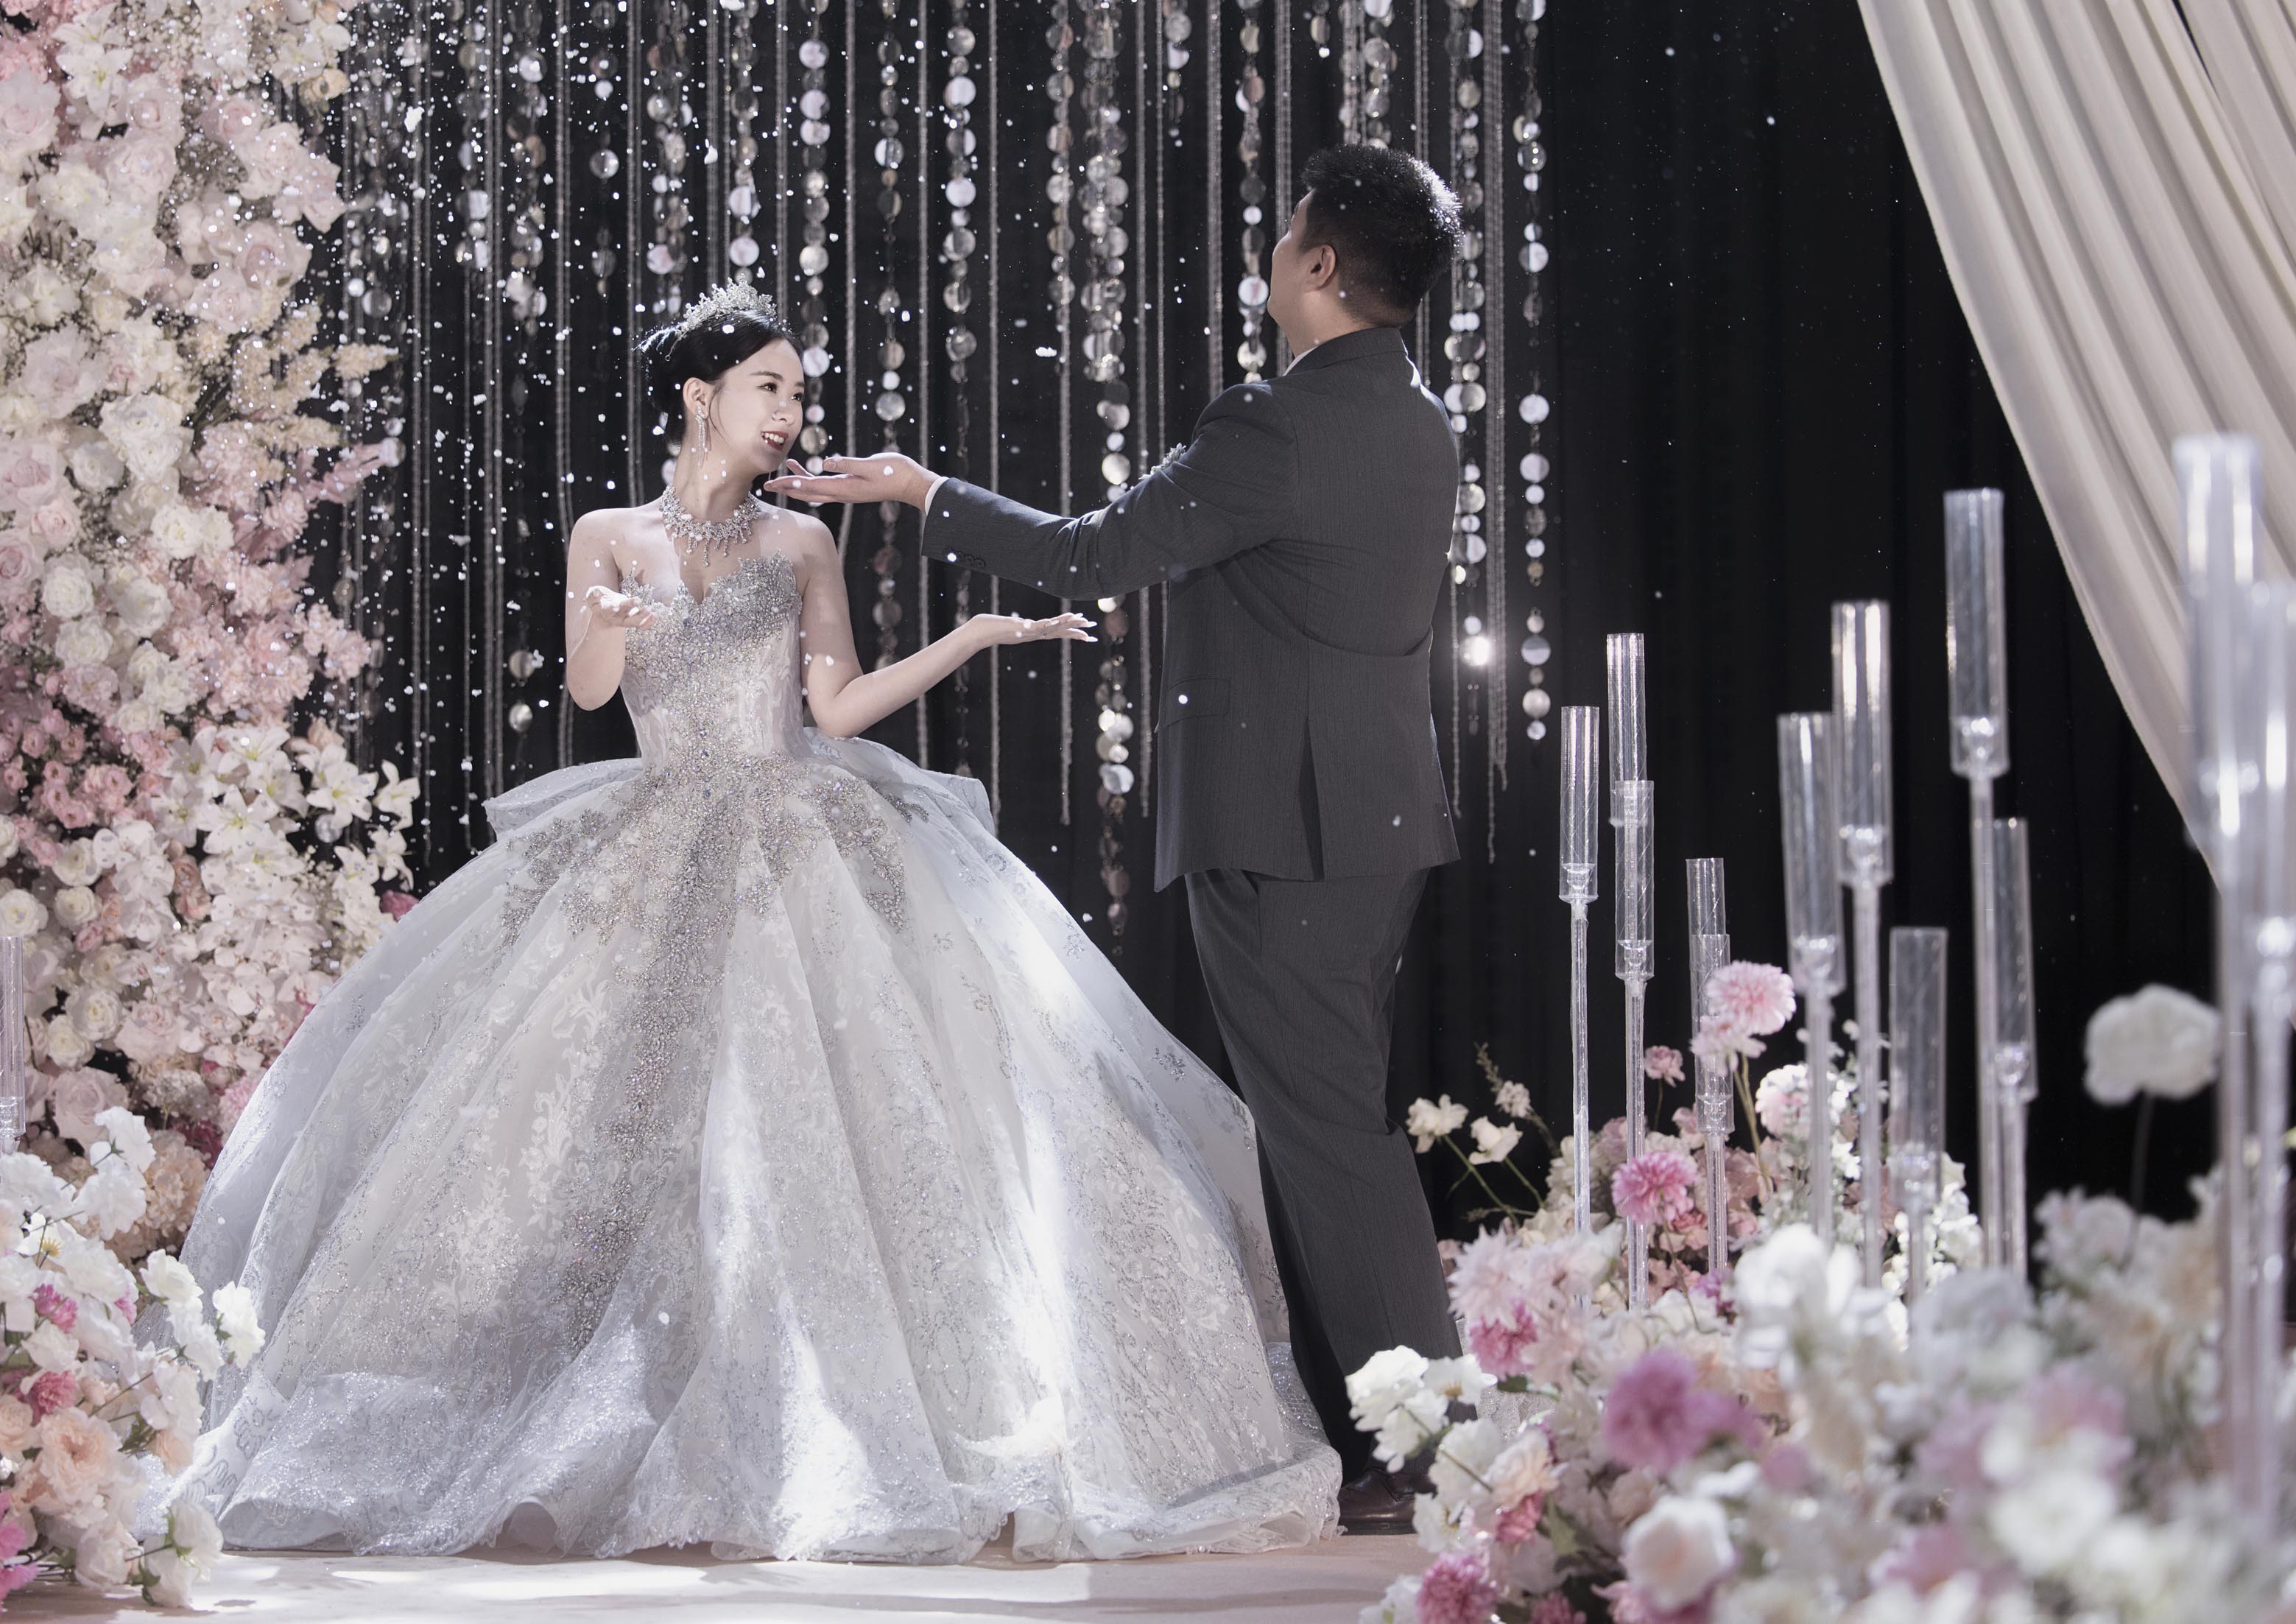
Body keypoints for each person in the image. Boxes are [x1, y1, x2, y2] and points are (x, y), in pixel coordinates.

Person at [175, 284, 1340, 1561]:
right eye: (769, 387)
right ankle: (622, 1391)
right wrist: (606, 622)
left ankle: (804, 1420)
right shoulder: (609, 533)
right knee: (608, 1122)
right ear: (700, 396)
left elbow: (835, 711)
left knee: (809, 1117)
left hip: (794, 840)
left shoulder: (801, 545)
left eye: (797, 392)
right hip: (655, 837)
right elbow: (592, 692)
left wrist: (972, 635)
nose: (790, 412)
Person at [770, 141, 1465, 1528]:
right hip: (1377, 815)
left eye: (1287, 234)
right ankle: (1400, 1431)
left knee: (1325, 1133)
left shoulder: (1276, 424)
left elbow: (1090, 554)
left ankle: (1426, 1445)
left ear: (1323, 264)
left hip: (1282, 827)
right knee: (1334, 1121)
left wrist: (919, 492)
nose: (1271, 253)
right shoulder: (1420, 417)